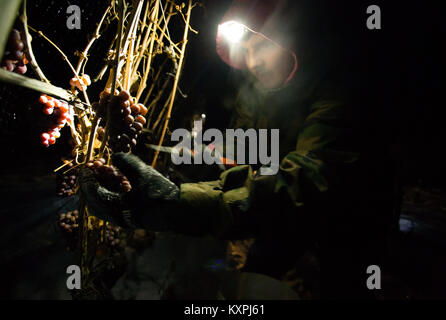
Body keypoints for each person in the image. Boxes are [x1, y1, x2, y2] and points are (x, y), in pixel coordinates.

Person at [80, 0, 395, 299]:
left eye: (262, 44)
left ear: (294, 38)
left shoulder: (342, 88)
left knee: (331, 285)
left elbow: (308, 183)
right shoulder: (256, 92)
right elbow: (243, 149)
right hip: (277, 215)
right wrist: (197, 161)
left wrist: (180, 203)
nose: (252, 60)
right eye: (246, 48)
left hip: (346, 227)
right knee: (253, 280)